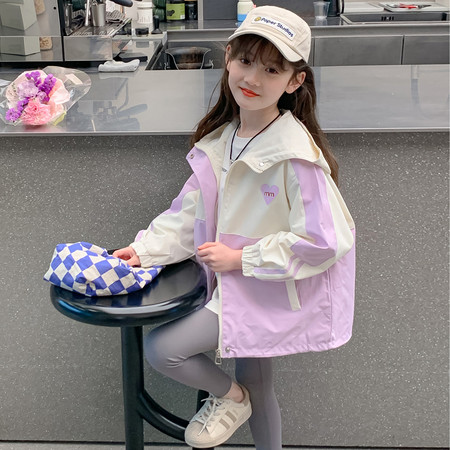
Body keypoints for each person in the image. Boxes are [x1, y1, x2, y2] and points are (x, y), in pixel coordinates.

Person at [113, 5, 356, 449]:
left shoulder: (294, 155)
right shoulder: (224, 140)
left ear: (295, 81)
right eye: (245, 61)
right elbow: (189, 213)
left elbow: (326, 240)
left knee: (163, 349)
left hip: (264, 287)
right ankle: (243, 401)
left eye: (272, 69)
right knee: (259, 386)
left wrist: (241, 258)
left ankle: (232, 398)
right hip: (238, 284)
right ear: (228, 58)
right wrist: (145, 250)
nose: (253, 78)